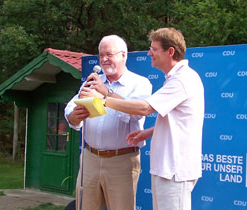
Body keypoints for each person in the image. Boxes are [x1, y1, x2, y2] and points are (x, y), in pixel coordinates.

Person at [82, 28, 204, 210]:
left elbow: (145, 108)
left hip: (174, 171)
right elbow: (180, 122)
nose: (149, 53)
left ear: (170, 51)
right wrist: (147, 133)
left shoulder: (182, 80)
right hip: (167, 169)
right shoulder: (176, 79)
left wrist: (104, 100)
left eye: (154, 49)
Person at [64, 35, 152, 210]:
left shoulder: (140, 83)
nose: (104, 59)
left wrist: (106, 94)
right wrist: (74, 116)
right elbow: (70, 110)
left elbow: (134, 114)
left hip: (122, 160)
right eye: (101, 55)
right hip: (90, 159)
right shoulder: (92, 82)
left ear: (123, 55)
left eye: (109, 54)